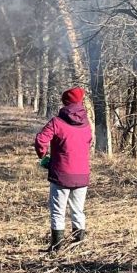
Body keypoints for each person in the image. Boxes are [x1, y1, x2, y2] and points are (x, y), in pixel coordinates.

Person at [34, 87, 92, 252]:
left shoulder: (57, 122)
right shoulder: (87, 123)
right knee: (78, 210)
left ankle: (56, 247)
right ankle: (78, 245)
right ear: (80, 102)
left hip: (61, 174)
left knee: (58, 212)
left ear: (65, 102)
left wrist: (43, 156)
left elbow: (40, 140)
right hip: (82, 175)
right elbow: (88, 142)